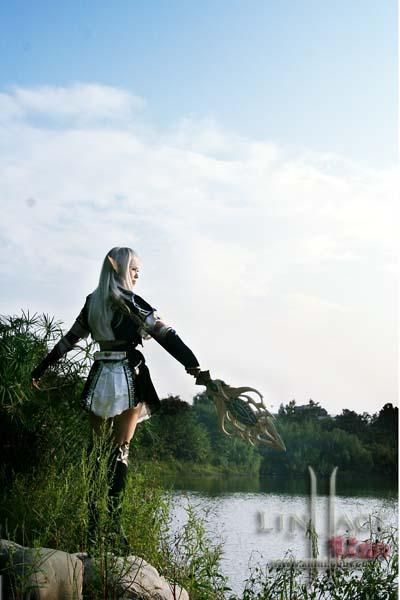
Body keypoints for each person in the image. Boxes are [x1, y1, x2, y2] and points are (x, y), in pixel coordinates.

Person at [30, 246, 201, 542]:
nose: (137, 275)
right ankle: (114, 528)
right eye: (134, 269)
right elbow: (165, 334)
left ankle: (93, 526)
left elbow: (69, 340)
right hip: (127, 376)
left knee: (97, 452)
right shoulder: (129, 301)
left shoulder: (92, 302)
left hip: (100, 377)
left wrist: (41, 367)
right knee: (120, 452)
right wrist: (192, 363)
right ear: (119, 268)